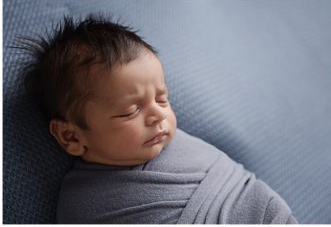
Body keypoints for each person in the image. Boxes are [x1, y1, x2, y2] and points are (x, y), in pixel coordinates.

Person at [19, 16, 296, 223]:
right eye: (131, 111)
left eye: (162, 99)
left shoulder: (175, 143)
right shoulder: (84, 205)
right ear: (71, 136)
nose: (158, 115)